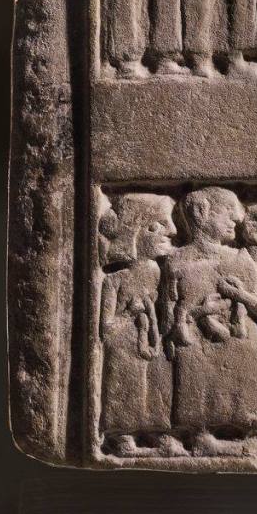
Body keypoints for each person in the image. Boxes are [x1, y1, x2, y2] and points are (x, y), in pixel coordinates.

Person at [162, 188, 257, 455]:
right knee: (196, 366)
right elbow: (169, 316)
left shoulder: (241, 259)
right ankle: (200, 434)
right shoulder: (177, 261)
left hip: (240, 334)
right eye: (228, 210)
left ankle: (252, 430)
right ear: (201, 212)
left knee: (250, 357)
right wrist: (199, 313)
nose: (237, 218)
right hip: (195, 340)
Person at [96, 193, 186, 457]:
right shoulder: (115, 280)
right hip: (124, 348)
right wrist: (129, 314)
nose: (172, 232)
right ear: (135, 234)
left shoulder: (161, 274)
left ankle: (154, 432)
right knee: (129, 387)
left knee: (156, 385)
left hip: (152, 343)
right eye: (157, 226)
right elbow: (105, 329)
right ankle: (123, 438)